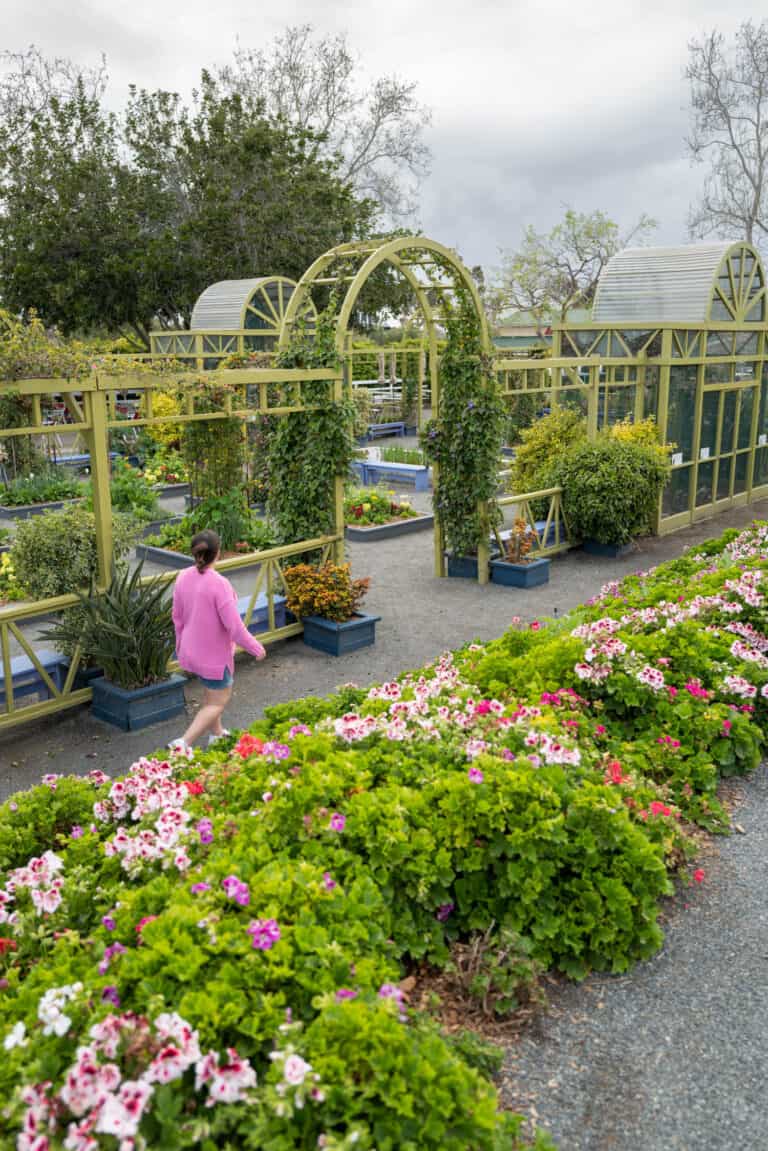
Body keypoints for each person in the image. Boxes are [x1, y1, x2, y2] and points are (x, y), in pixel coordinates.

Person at [169, 529, 266, 751]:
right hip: (213, 656)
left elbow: (177, 617)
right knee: (217, 702)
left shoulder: (183, 576)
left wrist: (180, 646)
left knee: (210, 695)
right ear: (218, 553)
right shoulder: (219, 584)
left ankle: (217, 734)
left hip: (191, 651)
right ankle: (183, 743)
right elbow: (234, 627)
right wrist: (255, 648)